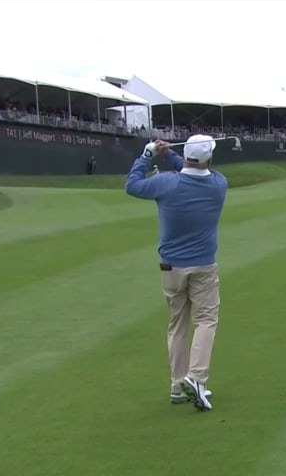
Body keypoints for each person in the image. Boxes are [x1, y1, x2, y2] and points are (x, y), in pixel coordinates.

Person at [124, 135, 227, 412]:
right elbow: (193, 166)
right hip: (204, 265)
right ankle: (196, 378)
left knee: (177, 324)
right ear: (209, 158)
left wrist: (148, 154)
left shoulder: (166, 183)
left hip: (170, 265)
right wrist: (170, 156)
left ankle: (178, 384)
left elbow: (132, 185)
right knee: (206, 320)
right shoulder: (218, 184)